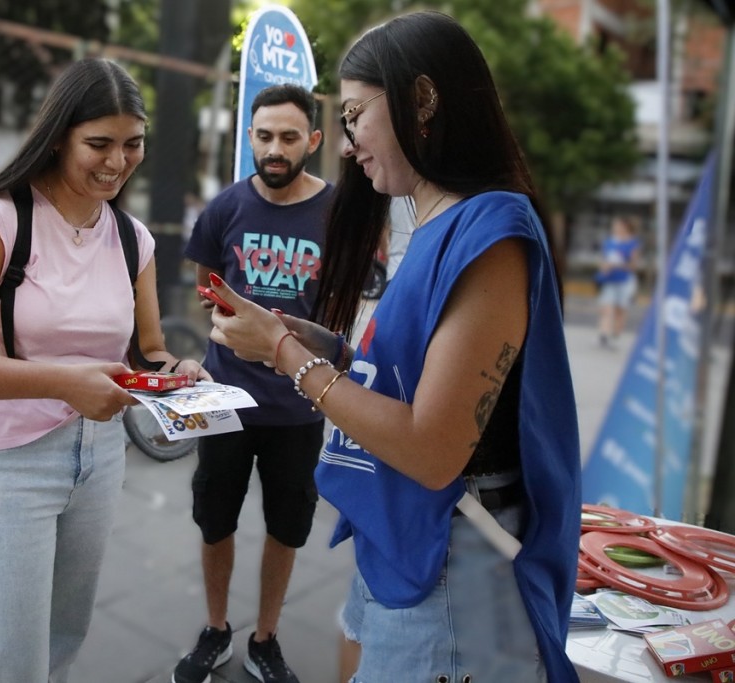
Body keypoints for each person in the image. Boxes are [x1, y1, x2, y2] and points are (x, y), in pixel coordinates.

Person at [202, 11, 581, 683]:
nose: (347, 144)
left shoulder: (491, 230)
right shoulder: (438, 221)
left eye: (354, 116)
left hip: (457, 562)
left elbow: (434, 450)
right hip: (410, 545)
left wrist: (290, 358)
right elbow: (411, 373)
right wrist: (306, 340)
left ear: (422, 101)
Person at [0, 58, 209, 683]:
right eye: (99, 144)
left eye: (133, 144)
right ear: (58, 136)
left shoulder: (134, 239)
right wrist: (62, 381)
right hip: (6, 464)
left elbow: (146, 350)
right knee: (8, 663)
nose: (119, 161)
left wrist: (178, 373)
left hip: (98, 460)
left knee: (60, 644)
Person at [172, 83, 334, 683]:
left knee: (286, 527)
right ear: (250, 138)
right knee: (216, 519)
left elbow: (348, 306)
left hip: (300, 405)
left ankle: (265, 639)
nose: (275, 148)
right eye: (264, 136)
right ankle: (216, 630)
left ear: (312, 141)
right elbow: (208, 288)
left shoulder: (338, 212)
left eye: (288, 137)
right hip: (225, 402)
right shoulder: (224, 209)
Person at [596, 214, 641, 348]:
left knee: (620, 310)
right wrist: (604, 267)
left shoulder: (633, 243)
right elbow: (603, 259)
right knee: (607, 308)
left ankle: (615, 334)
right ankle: (604, 335)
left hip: (625, 281)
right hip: (609, 280)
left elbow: (633, 266)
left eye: (618, 225)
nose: (615, 227)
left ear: (625, 227)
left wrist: (617, 265)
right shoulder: (609, 242)